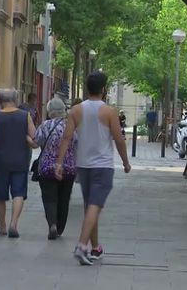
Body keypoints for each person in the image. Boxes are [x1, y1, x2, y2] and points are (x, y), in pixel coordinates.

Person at [56, 71, 132, 266]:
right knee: (95, 205)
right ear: (104, 89)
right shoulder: (109, 112)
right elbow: (119, 139)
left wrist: (59, 162)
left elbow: (66, 137)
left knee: (91, 205)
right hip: (103, 166)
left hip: (83, 166)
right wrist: (125, 162)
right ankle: (82, 246)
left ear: (88, 88)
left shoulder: (75, 111)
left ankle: (95, 247)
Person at [0, 90, 36, 238]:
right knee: (18, 192)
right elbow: (34, 136)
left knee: (0, 194)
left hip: (0, 161)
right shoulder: (25, 115)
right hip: (21, 160)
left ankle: (2, 226)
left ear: (1, 101)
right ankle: (14, 223)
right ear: (15, 100)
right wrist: (27, 138)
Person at [32, 98, 77, 240]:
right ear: (63, 110)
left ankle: (52, 224)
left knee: (49, 198)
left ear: (50, 111)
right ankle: (59, 228)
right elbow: (77, 143)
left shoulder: (45, 126)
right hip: (68, 167)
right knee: (64, 199)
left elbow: (36, 142)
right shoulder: (70, 126)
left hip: (46, 168)